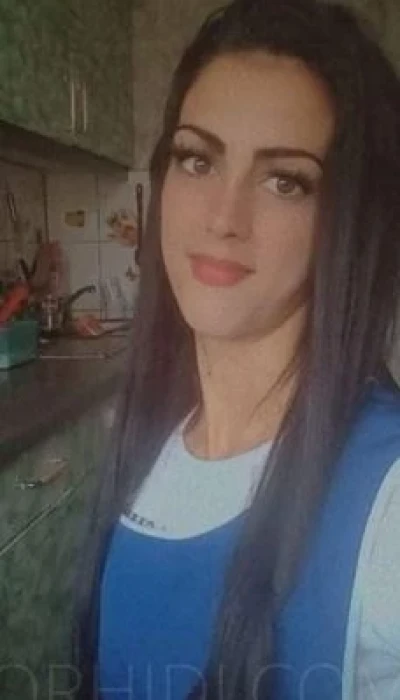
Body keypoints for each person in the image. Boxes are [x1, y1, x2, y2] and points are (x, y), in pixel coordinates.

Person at [73, 0, 400, 698]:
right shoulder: (153, 434)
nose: (224, 217)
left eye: (285, 181)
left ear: (347, 219)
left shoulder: (388, 500)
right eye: (197, 159)